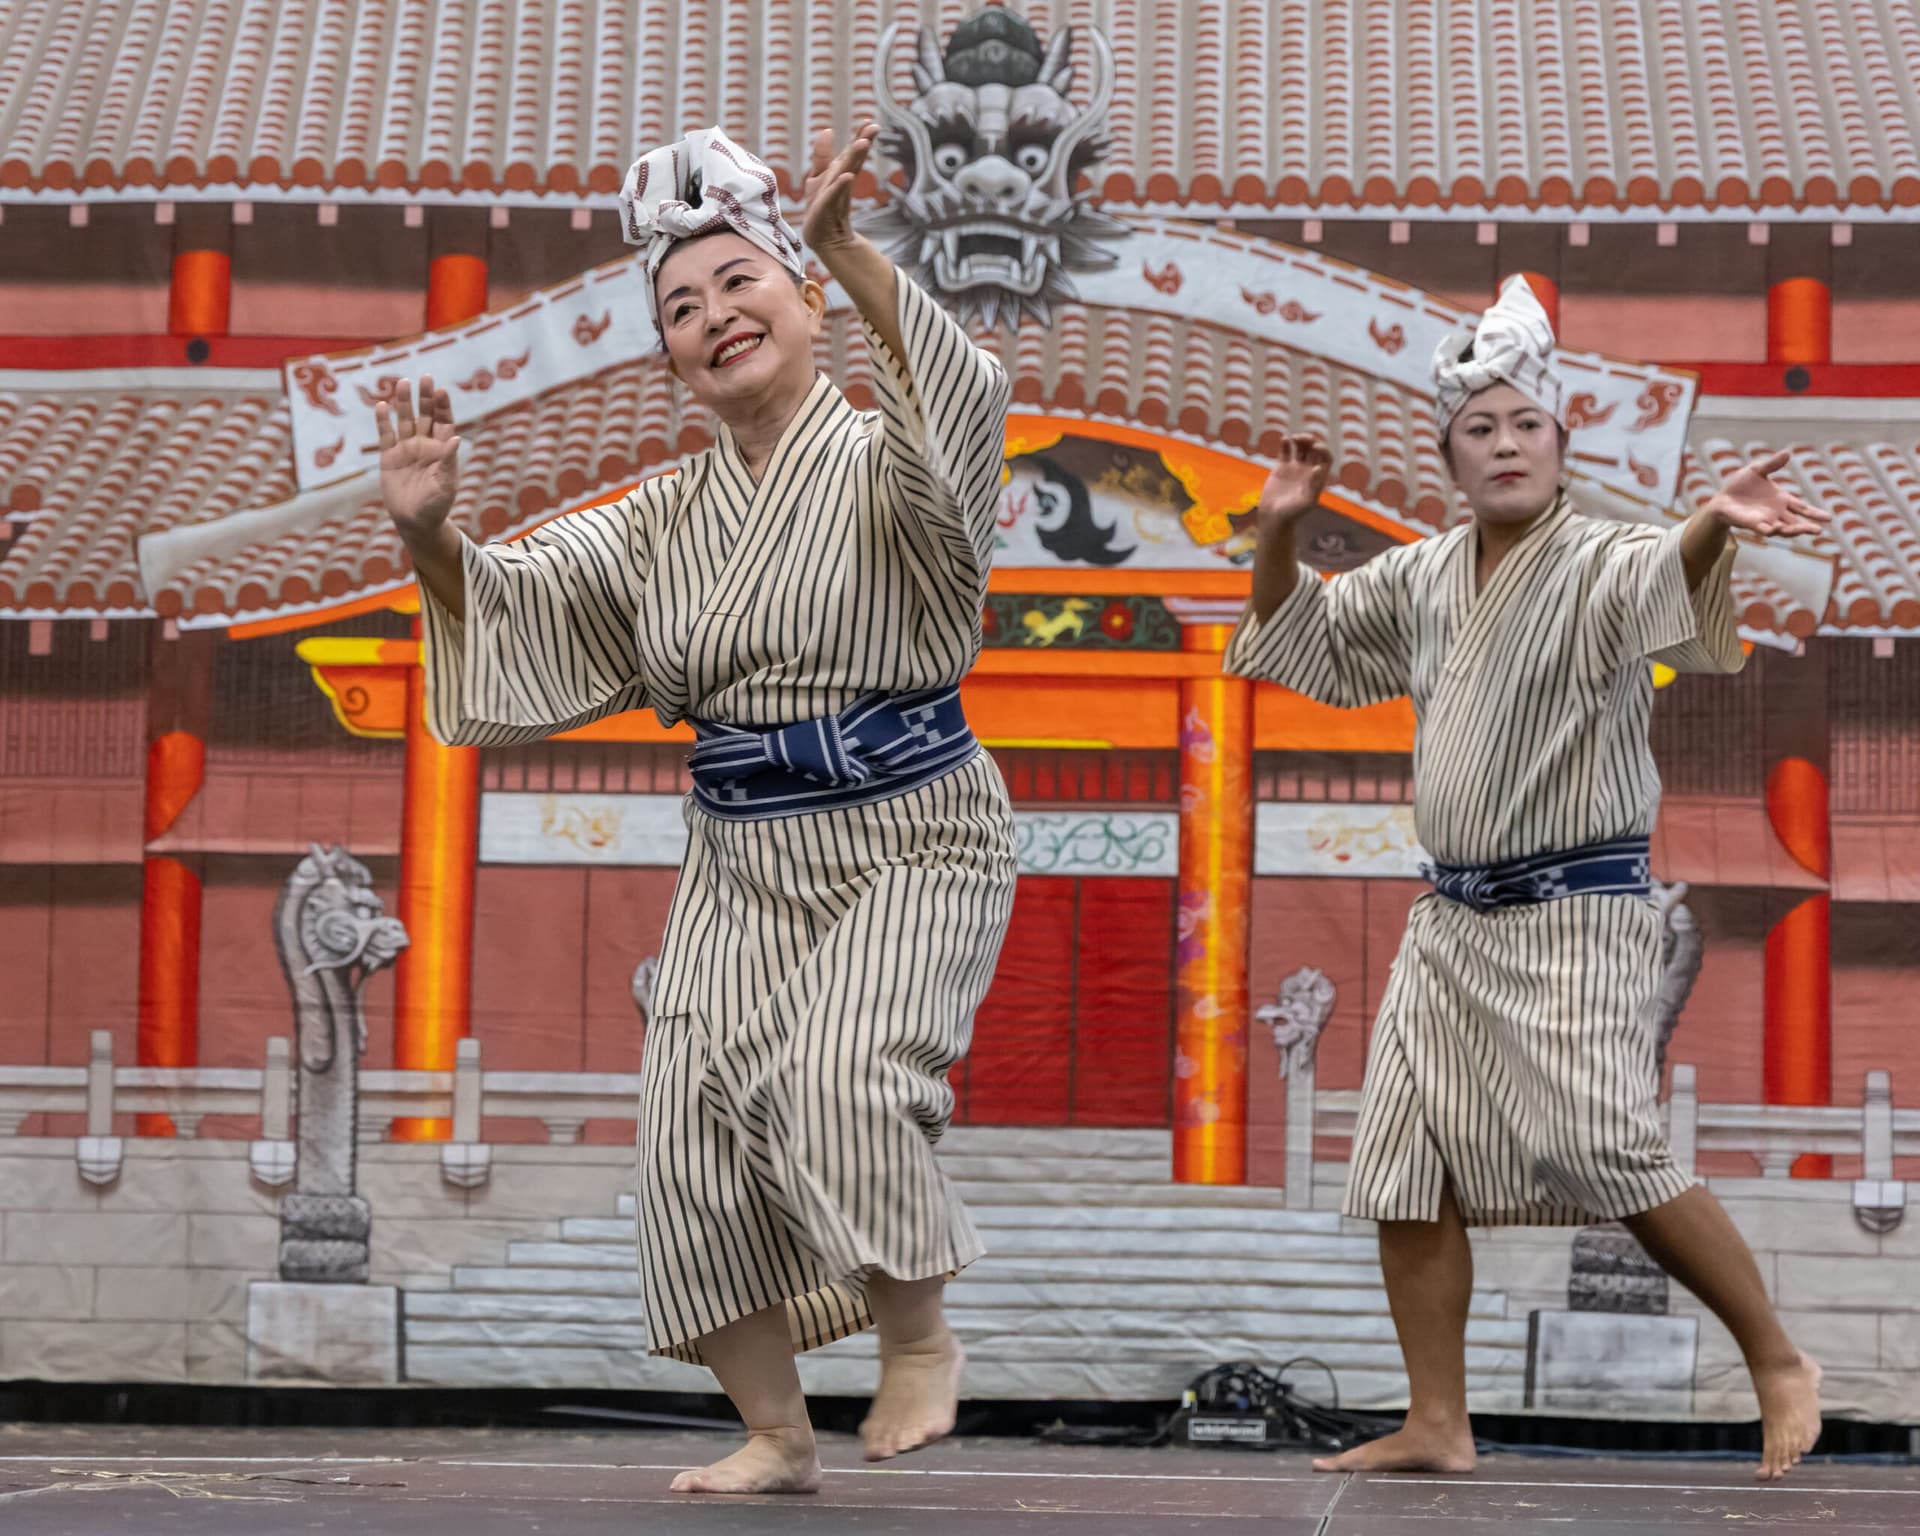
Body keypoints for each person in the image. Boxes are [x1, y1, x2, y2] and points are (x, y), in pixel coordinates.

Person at [374, 123, 1017, 1495]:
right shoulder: (662, 516)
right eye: (681, 307)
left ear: (799, 295)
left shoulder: (880, 461)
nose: (715, 317)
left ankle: (920, 1334)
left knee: (837, 1076)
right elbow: (530, 610)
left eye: (740, 284)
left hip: (911, 826)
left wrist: (853, 247)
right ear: (666, 354)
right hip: (742, 852)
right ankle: (778, 1435)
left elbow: (957, 415)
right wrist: (434, 537)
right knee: (689, 1137)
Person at [1225, 276, 1829, 1482]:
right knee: (1403, 1160)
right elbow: (1304, 645)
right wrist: (1281, 529)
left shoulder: (1600, 553)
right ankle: (1439, 1420)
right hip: (1454, 919)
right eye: (1479, 431)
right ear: (1450, 458)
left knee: (1604, 1145)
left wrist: (1715, 520)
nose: (1504, 446)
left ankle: (1775, 1357)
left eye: (1525, 427)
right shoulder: (1422, 574)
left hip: (1579, 913)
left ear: (1561, 444)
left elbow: (1662, 573)